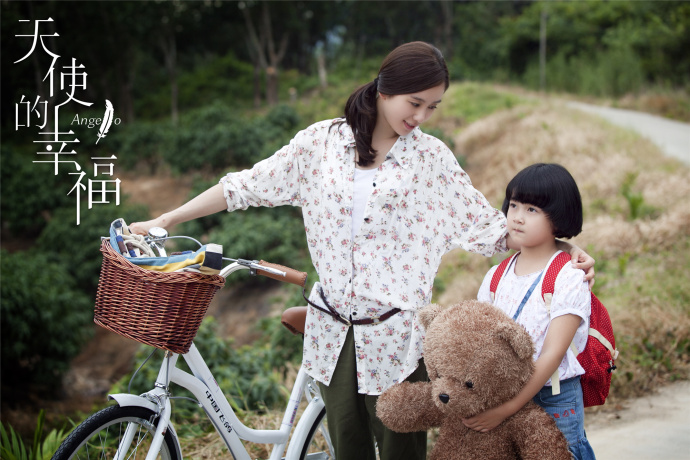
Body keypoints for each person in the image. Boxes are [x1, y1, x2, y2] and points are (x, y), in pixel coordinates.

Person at [130, 42, 594, 460]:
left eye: (432, 107)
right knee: (346, 447)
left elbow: (493, 229)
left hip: (397, 339)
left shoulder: (430, 158)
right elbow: (243, 187)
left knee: (401, 451)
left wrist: (563, 248)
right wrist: (167, 219)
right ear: (385, 89)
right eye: (415, 103)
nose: (421, 117)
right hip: (331, 335)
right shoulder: (320, 143)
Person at [464, 163, 597, 460]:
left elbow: (552, 355)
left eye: (532, 210)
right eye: (513, 205)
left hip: (554, 397)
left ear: (559, 217)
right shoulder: (496, 276)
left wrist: (507, 410)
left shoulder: (568, 275)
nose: (518, 217)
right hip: (502, 392)